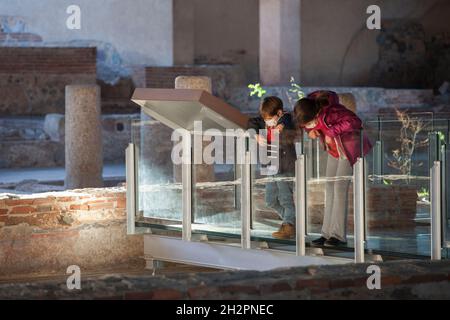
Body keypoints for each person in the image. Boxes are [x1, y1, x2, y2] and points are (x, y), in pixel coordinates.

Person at [294, 91, 372, 247]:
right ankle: (326, 233)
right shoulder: (308, 109)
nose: (307, 126)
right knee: (329, 187)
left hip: (349, 149)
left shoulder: (333, 111)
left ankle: (338, 236)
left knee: (339, 188)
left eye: (309, 123)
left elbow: (355, 121)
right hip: (334, 150)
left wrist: (331, 131)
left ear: (316, 114)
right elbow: (306, 123)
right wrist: (311, 130)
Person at [248, 96, 297, 239]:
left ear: (279, 113)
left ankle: (289, 226)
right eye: (265, 118)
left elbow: (288, 119)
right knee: (270, 200)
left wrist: (281, 126)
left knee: (286, 199)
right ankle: (292, 220)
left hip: (285, 166)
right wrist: (256, 135)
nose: (267, 121)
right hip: (270, 166)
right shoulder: (261, 121)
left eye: (270, 118)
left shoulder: (286, 120)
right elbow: (251, 123)